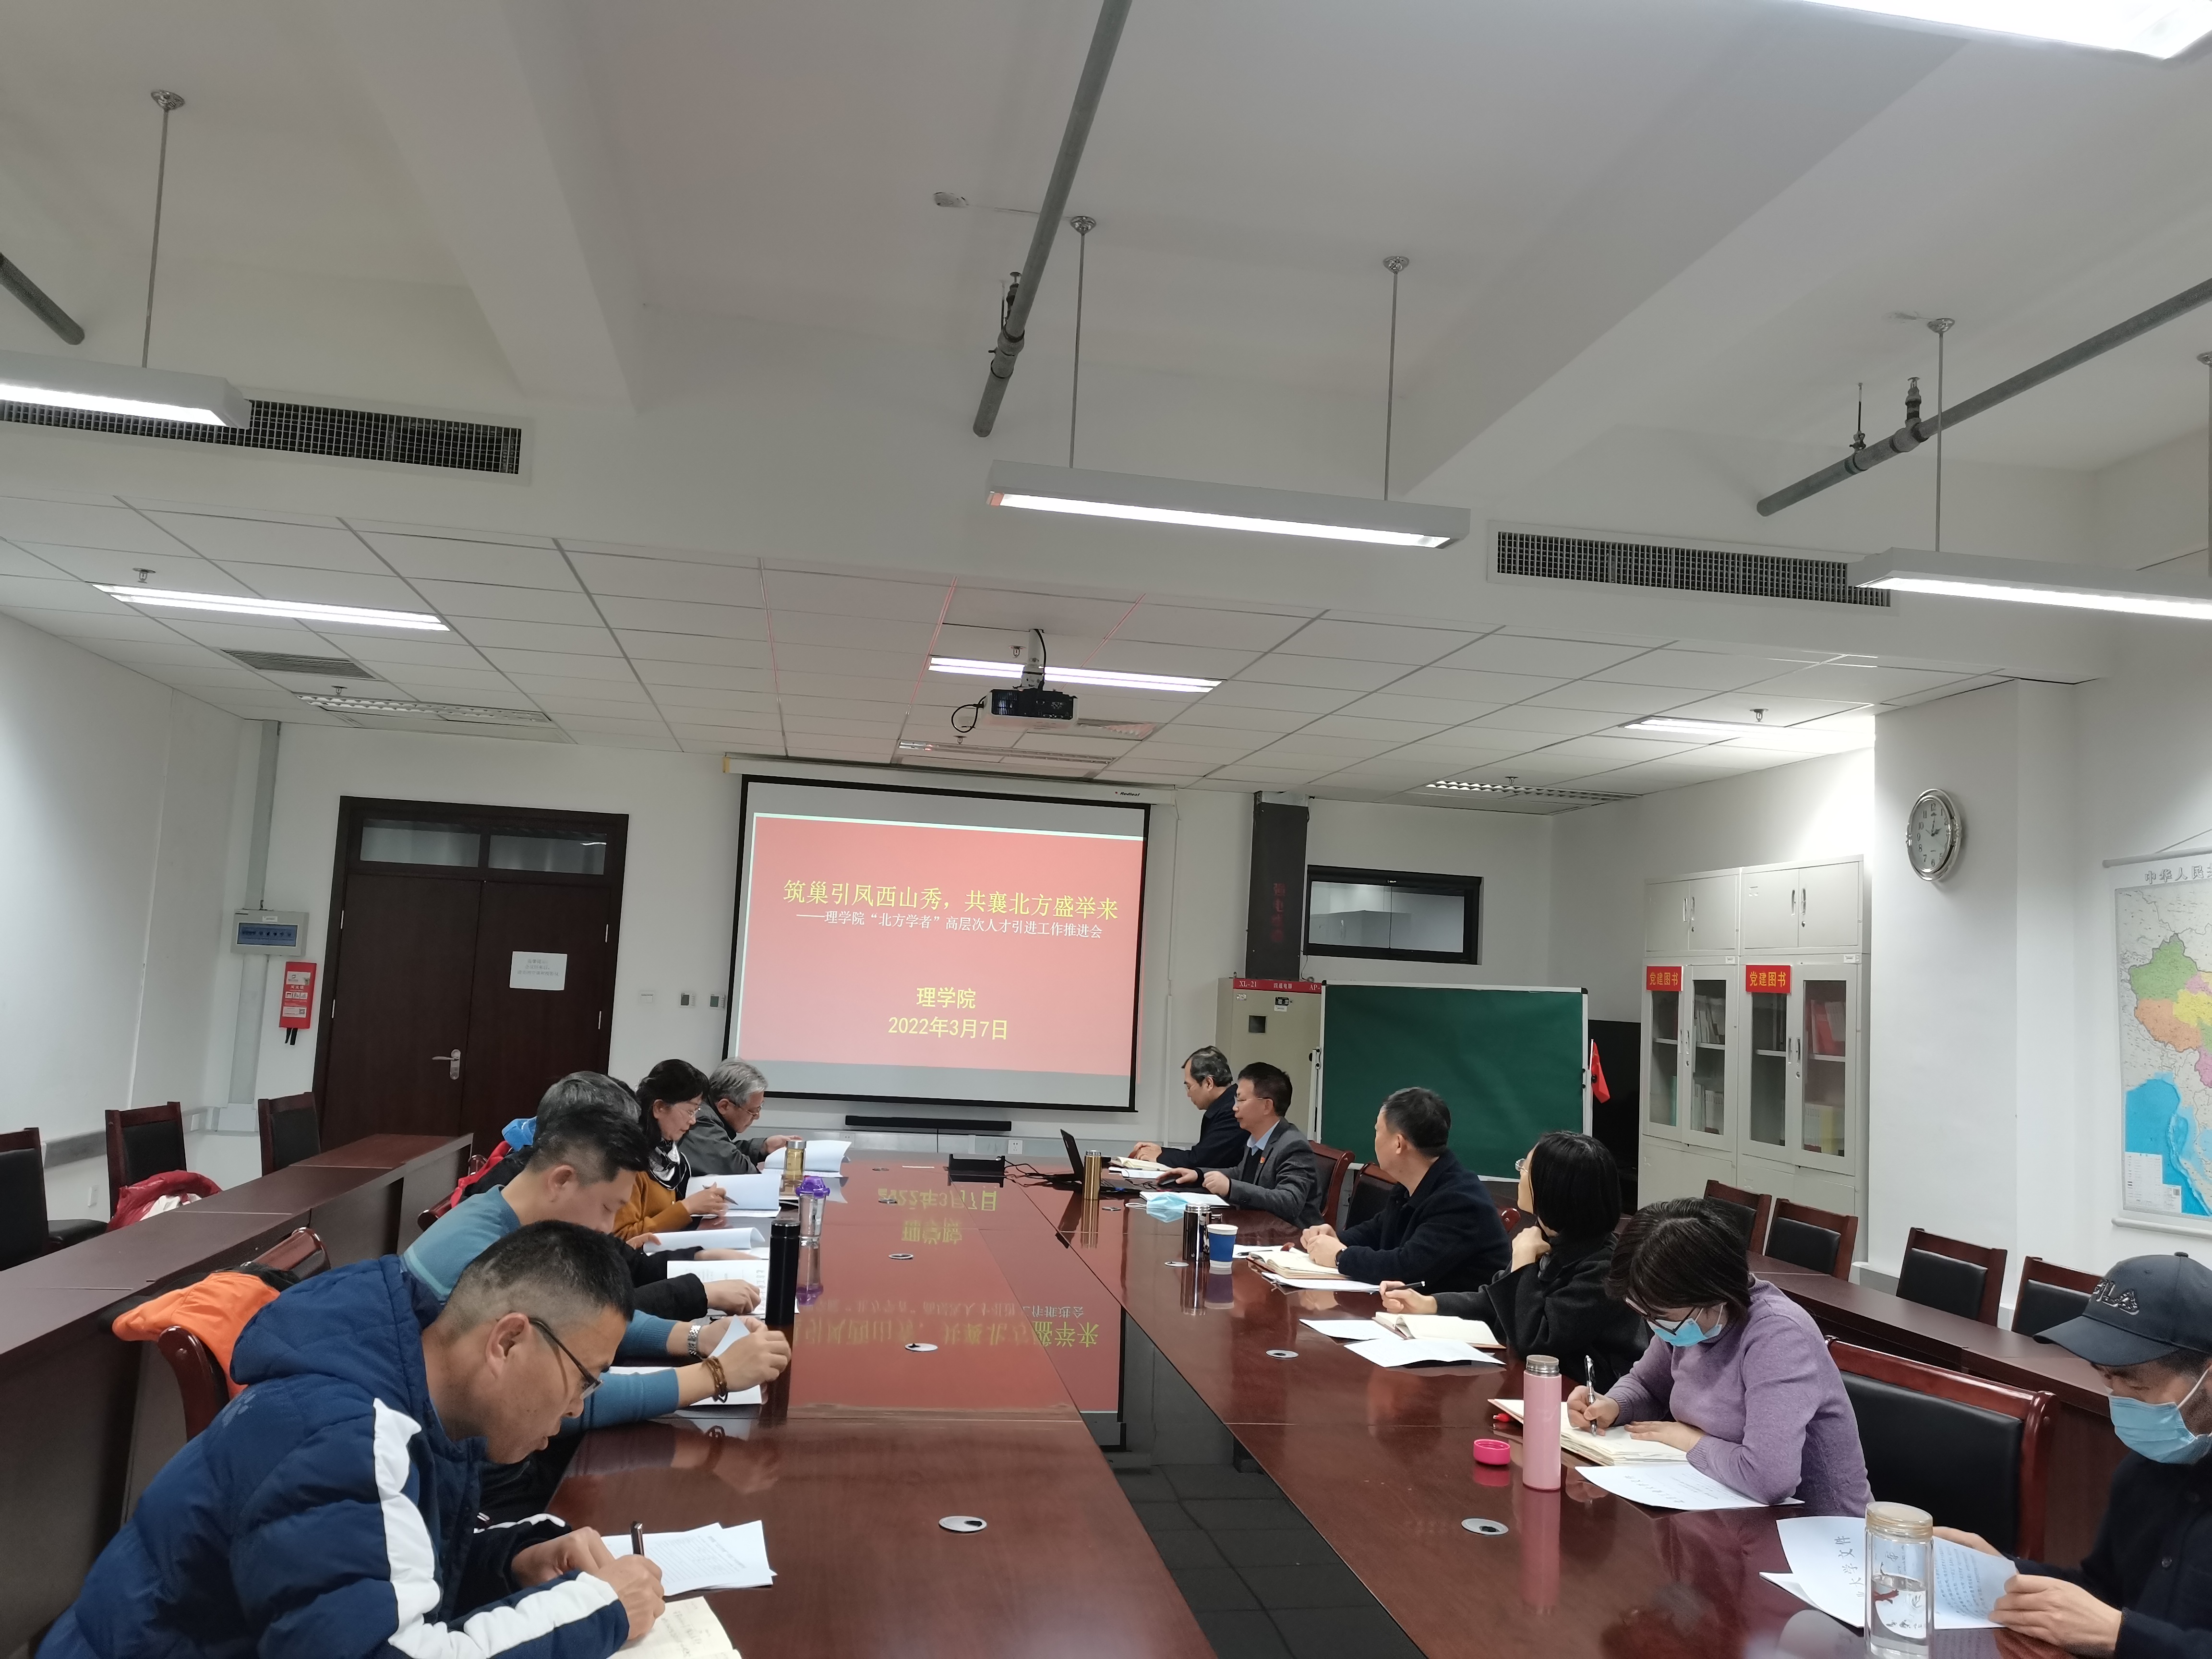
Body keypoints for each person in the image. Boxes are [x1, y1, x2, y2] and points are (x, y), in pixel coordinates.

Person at [41, 1223, 665, 1659]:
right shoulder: (341, 1436)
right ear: (508, 1341)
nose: (579, 1405)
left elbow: (371, 1573)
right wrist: (599, 1612)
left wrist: (508, 1564)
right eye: (584, 1378)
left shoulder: (416, 1394)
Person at [405, 1071, 787, 1433]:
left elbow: (582, 1318)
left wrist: (696, 1337)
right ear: (562, 1181)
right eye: (608, 1208)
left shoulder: (513, 1215)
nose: (608, 1229)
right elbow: (549, 1403)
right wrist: (714, 1375)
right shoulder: (484, 1258)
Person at [1940, 1252, 2212, 1657]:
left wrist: (2121, 1636)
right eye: (2106, 1379)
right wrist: (2003, 1572)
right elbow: (2102, 1593)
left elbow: (2111, 1625)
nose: (2118, 1401)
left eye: (2137, 1387)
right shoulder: (2142, 1471)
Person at [1567, 1197, 1870, 1515]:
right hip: (1725, 1505)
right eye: (1644, 1314)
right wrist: (1613, 1406)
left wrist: (1690, 1441)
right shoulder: (1687, 1323)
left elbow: (1769, 1479)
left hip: (1816, 1527)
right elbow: (1648, 1385)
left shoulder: (1779, 1335)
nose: (1655, 1326)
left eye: (1662, 1316)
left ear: (1713, 1296)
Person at [1380, 1130, 1646, 1390]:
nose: (1519, 1174)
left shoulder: (1603, 1267)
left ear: (1552, 1188)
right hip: (1533, 1386)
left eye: (1525, 1169)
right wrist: (1429, 1303)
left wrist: (1524, 1265)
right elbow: (1497, 1302)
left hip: (1582, 1396)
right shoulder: (1547, 1237)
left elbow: (1536, 1344)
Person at [1298, 1087, 1508, 1291]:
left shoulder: (1460, 1200)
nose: (1375, 1139)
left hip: (1453, 1312)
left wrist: (1340, 1256)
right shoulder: (1414, 1183)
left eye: (1378, 1131)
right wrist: (1335, 1240)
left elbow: (1407, 1269)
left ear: (1398, 1144)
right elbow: (1378, 1230)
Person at [1159, 1060, 1322, 1225]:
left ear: (1267, 1106)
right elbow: (1241, 1173)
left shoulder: (1293, 1146)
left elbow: (1290, 1202)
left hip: (1290, 1235)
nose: (1235, 1108)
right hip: (1258, 1227)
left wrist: (1231, 1188)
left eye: (1241, 1100)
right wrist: (1198, 1175)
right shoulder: (1256, 1138)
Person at [614, 1058, 724, 1239]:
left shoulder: (669, 1155)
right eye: (690, 1111)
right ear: (659, 1108)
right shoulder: (630, 1161)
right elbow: (623, 1238)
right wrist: (688, 1208)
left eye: (696, 1111)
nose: (693, 1121)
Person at [1131, 1046, 1246, 1172]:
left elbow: (1202, 1160)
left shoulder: (1232, 1110)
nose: (1188, 1094)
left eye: (1189, 1087)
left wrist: (1160, 1156)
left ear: (1209, 1083)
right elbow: (1202, 1155)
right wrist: (1161, 1152)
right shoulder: (1225, 1105)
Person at [684, 1056, 793, 1175]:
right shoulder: (700, 1122)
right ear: (725, 1106)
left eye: (760, 1107)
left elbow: (725, 1150)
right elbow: (735, 1166)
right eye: (753, 1110)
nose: (757, 1116)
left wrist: (764, 1147)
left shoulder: (708, 1117)